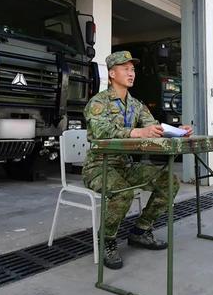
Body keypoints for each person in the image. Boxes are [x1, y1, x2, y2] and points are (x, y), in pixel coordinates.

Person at [82, 50, 192, 270]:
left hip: (125, 166)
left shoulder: (136, 105)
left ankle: (140, 231)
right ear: (112, 74)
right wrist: (136, 133)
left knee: (168, 182)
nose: (131, 73)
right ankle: (107, 240)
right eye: (125, 69)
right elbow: (99, 131)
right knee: (124, 192)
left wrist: (174, 131)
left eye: (132, 69)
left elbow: (152, 127)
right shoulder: (98, 102)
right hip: (98, 167)